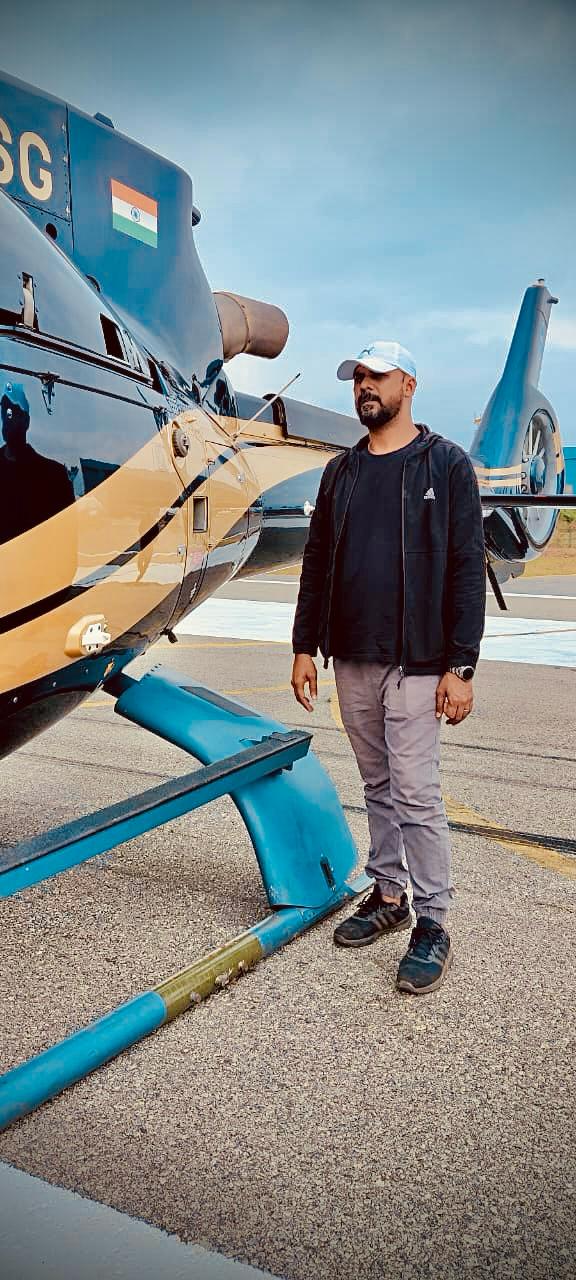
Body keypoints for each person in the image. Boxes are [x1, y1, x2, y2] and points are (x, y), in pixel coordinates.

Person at [291, 342, 486, 995]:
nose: (364, 386)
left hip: (419, 661)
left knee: (416, 792)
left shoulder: (446, 465)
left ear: (409, 384)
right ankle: (389, 894)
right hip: (351, 654)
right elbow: (317, 561)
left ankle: (433, 921)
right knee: (376, 783)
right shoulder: (340, 472)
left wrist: (462, 665)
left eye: (376, 376)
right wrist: (304, 646)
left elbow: (467, 566)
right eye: (357, 378)